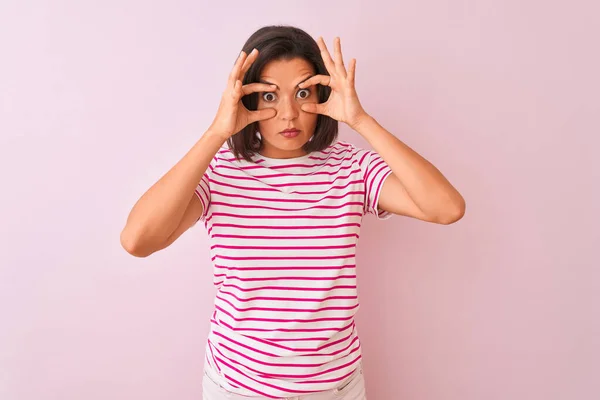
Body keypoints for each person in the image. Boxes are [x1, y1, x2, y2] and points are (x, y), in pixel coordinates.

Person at [120, 25, 465, 400]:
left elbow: (446, 208)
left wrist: (361, 120)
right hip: (237, 388)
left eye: (303, 92)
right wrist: (215, 133)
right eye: (269, 94)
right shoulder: (219, 171)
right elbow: (138, 241)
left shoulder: (352, 168)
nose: (288, 113)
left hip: (338, 388)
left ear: (322, 93)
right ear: (246, 99)